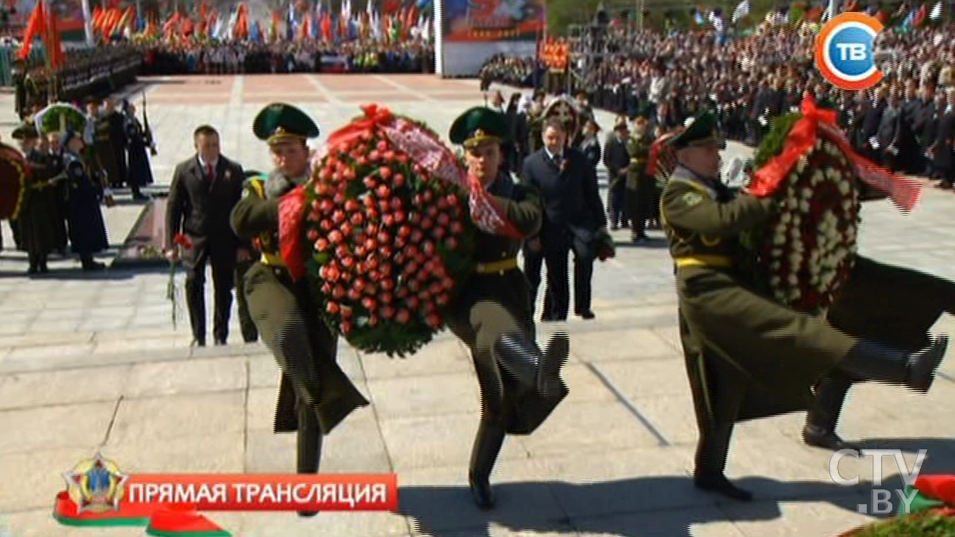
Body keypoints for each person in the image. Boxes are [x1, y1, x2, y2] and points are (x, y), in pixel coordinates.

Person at [661, 110, 949, 502]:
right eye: (707, 148)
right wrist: (768, 189)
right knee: (801, 333)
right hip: (706, 290)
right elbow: (721, 222)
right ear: (684, 156)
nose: (715, 154)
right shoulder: (678, 193)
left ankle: (708, 471)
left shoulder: (712, 185)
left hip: (733, 284)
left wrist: (839, 179)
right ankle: (906, 368)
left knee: (723, 388)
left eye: (715, 147)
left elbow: (761, 207)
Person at [230, 103, 369, 516]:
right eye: (277, 150)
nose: (282, 158)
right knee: (290, 334)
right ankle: (334, 396)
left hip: (316, 288)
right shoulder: (259, 187)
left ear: (306, 150)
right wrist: (296, 201)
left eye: (290, 149)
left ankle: (306, 482)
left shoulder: (329, 185)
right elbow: (242, 220)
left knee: (312, 384)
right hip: (271, 280)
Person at [446, 107, 569, 510]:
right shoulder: (449, 193)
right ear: (465, 155)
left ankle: (479, 475)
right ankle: (538, 368)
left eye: (491, 151)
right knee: (497, 333)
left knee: (500, 395)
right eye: (476, 151)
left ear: (502, 155)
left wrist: (483, 205)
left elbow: (530, 220)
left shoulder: (519, 191)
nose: (483, 159)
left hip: (511, 289)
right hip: (467, 295)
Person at [166, 125, 247, 347]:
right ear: (196, 146)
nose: (212, 150)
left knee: (223, 288)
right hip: (195, 237)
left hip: (224, 237)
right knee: (193, 283)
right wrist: (171, 243)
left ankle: (220, 334)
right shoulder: (184, 171)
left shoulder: (233, 169)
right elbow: (174, 207)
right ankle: (198, 334)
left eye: (215, 145)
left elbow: (241, 209)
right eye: (207, 145)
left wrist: (242, 244)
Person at [522, 118, 606, 321]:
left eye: (558, 138)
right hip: (547, 226)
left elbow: (592, 193)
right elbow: (527, 202)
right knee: (553, 274)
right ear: (543, 138)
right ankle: (545, 314)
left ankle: (580, 306)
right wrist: (531, 233)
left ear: (565, 137)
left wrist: (601, 225)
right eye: (550, 138)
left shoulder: (579, 160)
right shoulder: (531, 164)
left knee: (585, 257)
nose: (554, 142)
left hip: (578, 222)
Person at [13, 123, 67, 274]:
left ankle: (42, 262)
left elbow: (47, 171)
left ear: (32, 142)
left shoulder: (41, 158)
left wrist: (28, 166)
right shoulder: (18, 159)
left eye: (25, 142)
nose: (22, 145)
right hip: (26, 201)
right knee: (28, 233)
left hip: (40, 199)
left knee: (41, 232)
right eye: (20, 142)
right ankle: (32, 262)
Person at [60, 130, 108, 271]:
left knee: (86, 232)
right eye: (78, 139)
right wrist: (96, 189)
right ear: (71, 143)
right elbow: (80, 184)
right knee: (84, 232)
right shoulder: (72, 161)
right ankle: (87, 261)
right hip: (80, 204)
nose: (81, 141)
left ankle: (88, 259)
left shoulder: (76, 157)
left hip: (82, 203)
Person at [626, 114, 655, 242]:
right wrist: (647, 149)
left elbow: (654, 149)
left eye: (643, 124)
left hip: (646, 172)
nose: (642, 127)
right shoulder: (632, 138)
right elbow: (634, 151)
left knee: (644, 202)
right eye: (639, 124)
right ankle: (634, 231)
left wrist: (647, 149)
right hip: (635, 173)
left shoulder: (648, 137)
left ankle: (641, 231)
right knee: (635, 204)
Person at [122, 100, 154, 201]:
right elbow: (133, 135)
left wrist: (146, 134)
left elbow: (138, 133)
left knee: (138, 170)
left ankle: (137, 191)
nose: (133, 108)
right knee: (135, 171)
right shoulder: (129, 121)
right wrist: (146, 142)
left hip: (137, 148)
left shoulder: (133, 119)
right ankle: (135, 192)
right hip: (134, 149)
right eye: (131, 107)